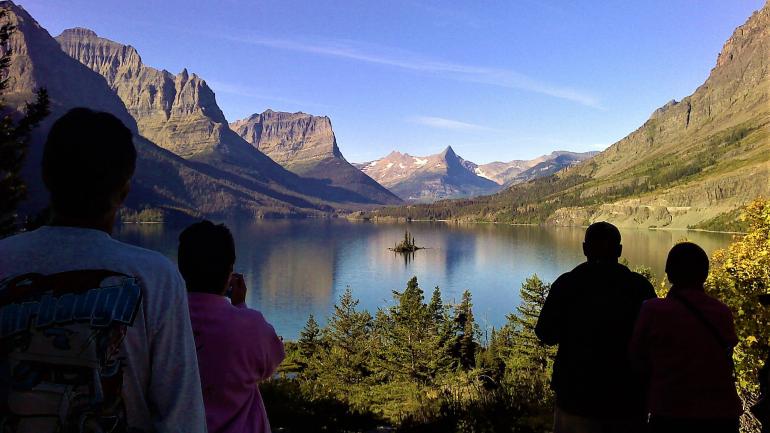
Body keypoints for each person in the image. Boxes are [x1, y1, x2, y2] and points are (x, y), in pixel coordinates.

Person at [0, 108, 206, 432]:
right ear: (124, 190)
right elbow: (182, 418)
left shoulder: (4, 259)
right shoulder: (157, 277)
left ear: (46, 177)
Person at [535, 221, 656, 433]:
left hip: (575, 396)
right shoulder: (639, 286)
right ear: (619, 250)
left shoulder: (567, 284)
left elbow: (545, 333)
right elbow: (654, 339)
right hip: (627, 398)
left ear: (584, 249)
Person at [178, 221, 285, 433]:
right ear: (230, 272)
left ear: (181, 269)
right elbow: (274, 359)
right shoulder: (249, 326)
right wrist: (240, 306)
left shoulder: (164, 322)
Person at [630, 242, 742, 433]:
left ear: (669, 273)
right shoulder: (722, 311)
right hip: (721, 415)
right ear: (705, 275)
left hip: (670, 412)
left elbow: (636, 359)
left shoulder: (653, 310)